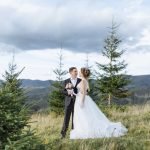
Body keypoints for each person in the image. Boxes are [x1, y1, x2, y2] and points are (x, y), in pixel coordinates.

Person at [70, 67, 128, 139]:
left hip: (82, 99)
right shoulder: (85, 80)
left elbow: (84, 92)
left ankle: (85, 130)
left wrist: (81, 101)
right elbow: (86, 91)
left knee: (84, 116)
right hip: (83, 98)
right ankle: (84, 129)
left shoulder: (82, 81)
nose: (78, 73)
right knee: (86, 116)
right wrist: (75, 93)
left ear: (82, 73)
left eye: (79, 72)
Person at [61, 67, 81, 138]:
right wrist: (68, 92)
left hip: (77, 103)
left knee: (75, 119)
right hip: (68, 102)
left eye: (77, 71)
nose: (76, 72)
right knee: (66, 118)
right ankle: (63, 134)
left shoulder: (80, 80)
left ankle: (73, 134)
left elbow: (84, 90)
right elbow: (62, 91)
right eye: (75, 71)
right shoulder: (66, 81)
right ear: (70, 72)